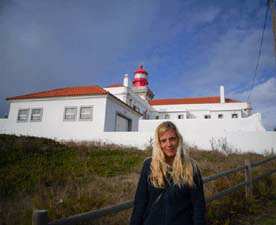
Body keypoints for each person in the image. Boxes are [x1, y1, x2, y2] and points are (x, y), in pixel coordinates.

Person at [130, 121, 206, 225]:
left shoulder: (191, 167)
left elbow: (198, 207)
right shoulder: (149, 166)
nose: (168, 144)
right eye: (163, 141)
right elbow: (140, 203)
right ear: (158, 144)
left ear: (178, 140)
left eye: (172, 139)